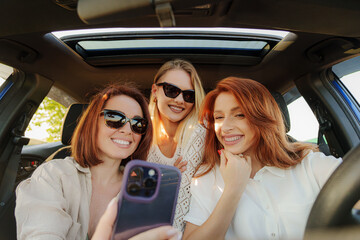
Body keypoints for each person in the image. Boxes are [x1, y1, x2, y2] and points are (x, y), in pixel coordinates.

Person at [183, 77, 342, 240]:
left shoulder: (308, 163)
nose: (226, 127)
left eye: (239, 115)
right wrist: (232, 190)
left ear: (262, 117)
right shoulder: (207, 177)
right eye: (219, 117)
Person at [15, 83, 179, 239]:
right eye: (115, 118)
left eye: (138, 124)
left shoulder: (145, 189)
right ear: (92, 123)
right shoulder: (53, 176)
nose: (128, 130)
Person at [147, 59, 206, 231]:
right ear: (155, 91)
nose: (180, 100)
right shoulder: (139, 137)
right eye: (171, 90)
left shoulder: (200, 136)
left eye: (189, 95)